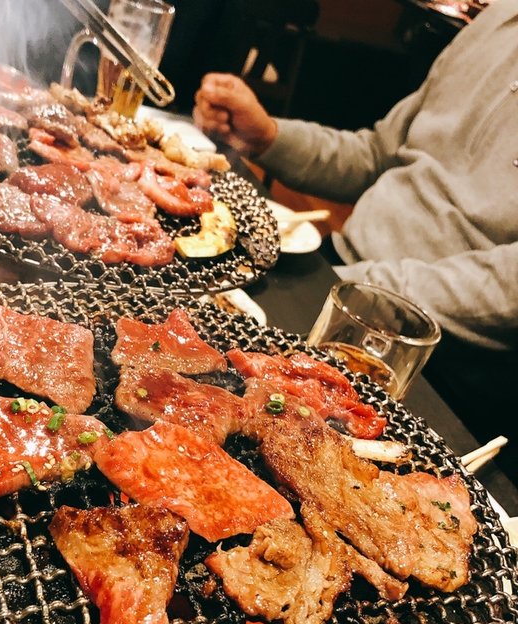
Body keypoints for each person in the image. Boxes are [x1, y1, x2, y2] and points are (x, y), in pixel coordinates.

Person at [193, 0, 518, 486]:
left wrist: (363, 291)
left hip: (437, 365)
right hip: (339, 280)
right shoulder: (500, 17)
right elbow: (377, 153)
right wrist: (269, 137)